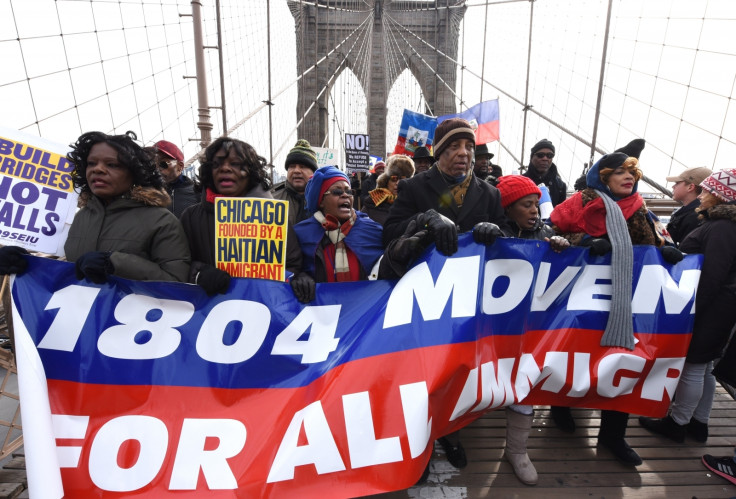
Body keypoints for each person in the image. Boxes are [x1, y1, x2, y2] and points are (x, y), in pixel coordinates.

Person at [383, 117, 510, 471]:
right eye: (454, 146)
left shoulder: (490, 193)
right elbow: (390, 236)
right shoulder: (413, 188)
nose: (464, 153)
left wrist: (496, 230)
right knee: (421, 372)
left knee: (457, 371)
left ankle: (451, 433)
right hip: (424, 299)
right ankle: (418, 442)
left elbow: (511, 238)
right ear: (439, 152)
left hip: (468, 302)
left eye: (469, 147)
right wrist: (426, 219)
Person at [548, 138, 682, 466]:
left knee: (623, 361)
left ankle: (613, 436)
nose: (629, 177)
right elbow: (549, 235)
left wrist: (664, 254)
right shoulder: (580, 202)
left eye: (632, 172)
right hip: (579, 299)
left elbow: (652, 243)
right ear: (603, 176)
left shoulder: (641, 210)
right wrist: (583, 242)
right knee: (574, 355)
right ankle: (559, 406)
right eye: (620, 171)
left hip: (623, 302)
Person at [0, 131, 191, 283]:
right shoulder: (82, 217)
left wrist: (115, 264)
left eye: (112, 164)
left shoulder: (162, 221)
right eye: (91, 163)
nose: (97, 169)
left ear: (134, 173)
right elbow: (71, 272)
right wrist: (26, 264)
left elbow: (177, 282)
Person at [639, 168, 736, 444]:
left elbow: (713, 274)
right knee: (704, 368)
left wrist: (691, 312)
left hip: (710, 307)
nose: (702, 195)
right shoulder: (723, 225)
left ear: (720, 196)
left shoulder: (723, 227)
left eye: (707, 190)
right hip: (720, 306)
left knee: (693, 366)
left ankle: (676, 423)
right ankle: (698, 423)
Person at [495, 174, 569, 486]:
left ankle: (517, 451)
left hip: (530, 330)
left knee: (523, 386)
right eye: (526, 205)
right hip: (494, 329)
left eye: (536, 204)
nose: (534, 211)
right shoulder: (491, 234)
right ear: (508, 208)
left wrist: (563, 250)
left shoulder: (546, 234)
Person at [289, 166, 429, 302]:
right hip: (322, 318)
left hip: (363, 317)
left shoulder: (372, 229)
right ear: (320, 202)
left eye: (349, 191)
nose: (345, 195)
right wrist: (296, 277)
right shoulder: (301, 233)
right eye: (337, 191)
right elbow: (285, 269)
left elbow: (385, 272)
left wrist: (397, 255)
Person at [180, 137, 301, 295]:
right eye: (217, 164)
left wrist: (298, 279)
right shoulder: (191, 217)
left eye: (235, 164)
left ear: (251, 172)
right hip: (209, 312)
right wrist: (198, 274)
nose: (225, 168)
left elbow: (293, 265)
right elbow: (178, 265)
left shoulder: (273, 216)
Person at [272, 139, 318, 226]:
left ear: (313, 172)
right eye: (292, 166)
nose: (296, 171)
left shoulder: (324, 200)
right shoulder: (272, 199)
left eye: (303, 166)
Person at [665, 166, 712, 246]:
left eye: (677, 183)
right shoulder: (695, 214)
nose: (673, 186)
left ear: (690, 187)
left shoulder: (694, 217)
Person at [364, 154, 415, 225]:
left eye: (402, 179)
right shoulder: (374, 200)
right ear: (386, 181)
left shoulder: (414, 203)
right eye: (394, 179)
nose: (398, 183)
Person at [153, 140, 197, 218]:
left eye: (163, 163)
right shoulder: (149, 194)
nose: (157, 169)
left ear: (180, 167)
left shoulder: (198, 193)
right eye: (153, 164)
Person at [523, 138, 567, 206]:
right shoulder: (521, 182)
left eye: (550, 155)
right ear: (532, 157)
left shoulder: (560, 186)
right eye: (540, 155)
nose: (545, 158)